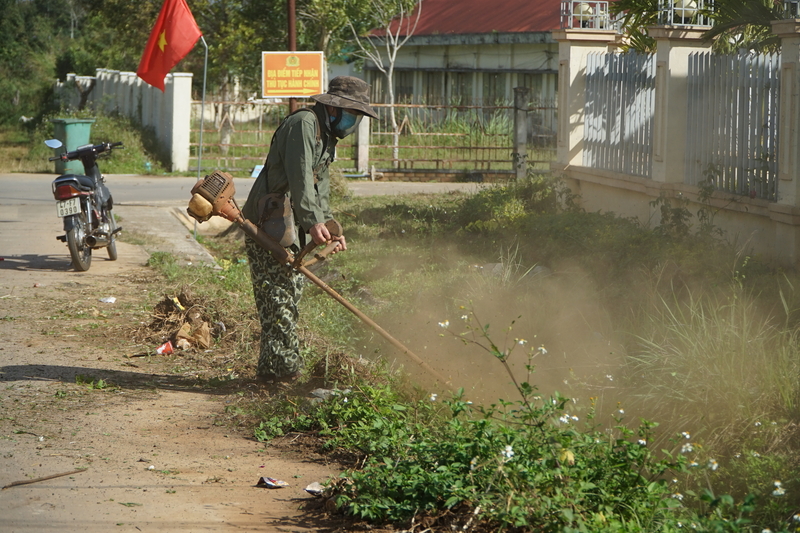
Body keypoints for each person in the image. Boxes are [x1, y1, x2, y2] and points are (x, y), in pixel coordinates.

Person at [242, 76, 378, 383]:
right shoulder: (304, 124)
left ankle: (270, 373)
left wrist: (329, 226)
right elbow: (300, 177)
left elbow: (321, 186)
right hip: (267, 224)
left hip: (290, 227)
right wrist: (313, 222)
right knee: (278, 302)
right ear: (334, 108)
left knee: (287, 298)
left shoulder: (326, 134)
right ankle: (285, 375)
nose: (353, 122)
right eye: (352, 114)